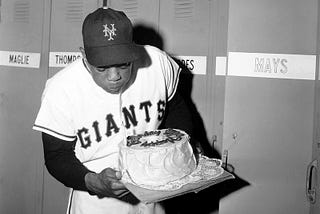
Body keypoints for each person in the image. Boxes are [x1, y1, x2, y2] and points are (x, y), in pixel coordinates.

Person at [33, 6, 193, 214]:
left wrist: (182, 146)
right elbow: (56, 156)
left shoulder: (156, 63)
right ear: (83, 56)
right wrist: (93, 181)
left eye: (123, 65)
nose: (114, 76)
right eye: (102, 68)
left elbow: (176, 106)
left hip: (154, 193)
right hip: (96, 201)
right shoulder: (62, 88)